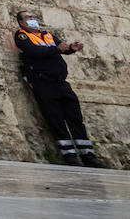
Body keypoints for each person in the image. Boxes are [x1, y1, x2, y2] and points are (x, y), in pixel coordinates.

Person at [14, 10, 108, 167]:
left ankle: (88, 155)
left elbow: (61, 47)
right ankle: (69, 155)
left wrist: (71, 48)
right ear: (21, 23)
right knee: (55, 118)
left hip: (61, 82)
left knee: (75, 117)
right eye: (27, 18)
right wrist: (58, 49)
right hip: (43, 83)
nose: (32, 20)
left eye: (33, 17)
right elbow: (35, 52)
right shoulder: (22, 36)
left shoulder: (47, 35)